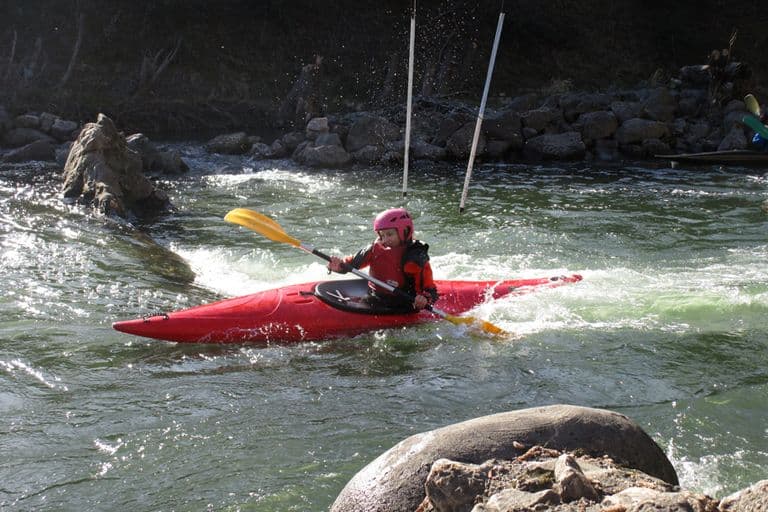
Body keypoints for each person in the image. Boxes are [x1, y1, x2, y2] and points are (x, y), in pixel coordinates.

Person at [328, 207, 438, 312]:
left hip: (404, 303)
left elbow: (429, 290)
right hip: (374, 297)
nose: (385, 239)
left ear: (404, 231)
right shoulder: (375, 249)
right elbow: (351, 265)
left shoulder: (415, 257)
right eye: (382, 235)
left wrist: (424, 298)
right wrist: (338, 266)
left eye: (390, 234)